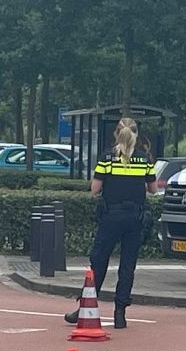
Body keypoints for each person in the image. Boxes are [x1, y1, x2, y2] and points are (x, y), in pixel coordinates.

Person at [65, 117, 156, 329]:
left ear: (116, 134)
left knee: (99, 261)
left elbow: (95, 189)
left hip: (111, 217)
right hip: (135, 218)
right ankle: (120, 313)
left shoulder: (107, 158)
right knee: (127, 266)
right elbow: (153, 190)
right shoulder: (144, 160)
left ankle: (85, 307)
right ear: (136, 135)